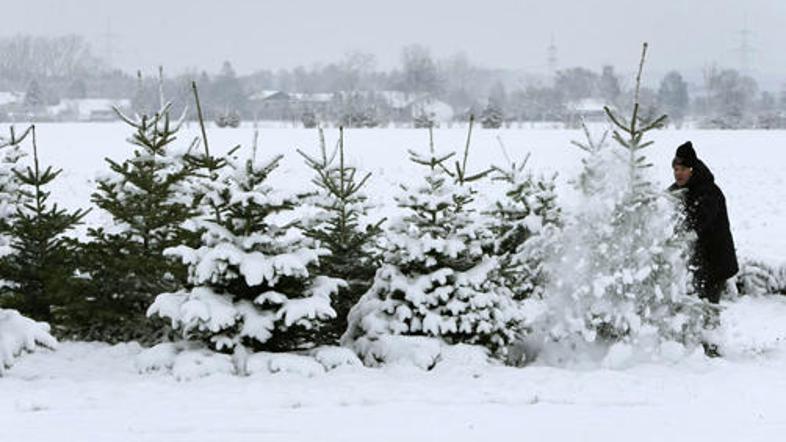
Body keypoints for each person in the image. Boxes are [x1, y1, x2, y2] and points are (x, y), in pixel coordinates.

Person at [668, 141, 739, 304]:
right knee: (700, 303)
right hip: (699, 260)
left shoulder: (708, 192)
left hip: (715, 262)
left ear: (692, 170)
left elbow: (698, 222)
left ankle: (713, 329)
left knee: (708, 307)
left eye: (683, 169)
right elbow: (665, 198)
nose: (678, 173)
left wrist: (678, 235)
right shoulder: (683, 188)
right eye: (675, 169)